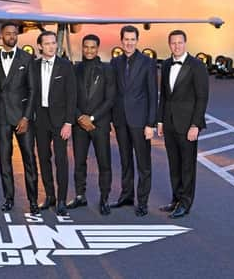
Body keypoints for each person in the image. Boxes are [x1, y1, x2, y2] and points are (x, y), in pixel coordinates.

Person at [0, 22, 39, 214]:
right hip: (1, 117)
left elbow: (33, 90)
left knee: (29, 160)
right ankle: (8, 198)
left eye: (14, 33)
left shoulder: (27, 58)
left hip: (22, 118)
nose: (11, 36)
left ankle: (33, 200)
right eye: (8, 33)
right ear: (1, 35)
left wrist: (26, 117)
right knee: (4, 160)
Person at [157, 30, 209, 218]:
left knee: (187, 166)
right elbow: (164, 95)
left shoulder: (197, 66)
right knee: (174, 164)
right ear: (169, 44)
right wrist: (160, 120)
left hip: (188, 125)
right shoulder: (165, 64)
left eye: (180, 42)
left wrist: (196, 125)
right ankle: (176, 199)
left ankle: (185, 204)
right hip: (169, 123)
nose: (176, 46)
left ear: (185, 43)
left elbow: (202, 98)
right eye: (173, 43)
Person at [110, 25, 157, 217]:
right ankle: (126, 196)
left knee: (143, 164)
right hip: (121, 120)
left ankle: (143, 202)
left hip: (140, 121)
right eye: (126, 39)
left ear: (137, 41)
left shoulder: (147, 62)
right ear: (121, 41)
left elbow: (153, 94)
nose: (129, 43)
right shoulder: (115, 62)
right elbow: (113, 92)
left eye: (132, 39)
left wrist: (150, 124)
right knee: (125, 160)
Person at [68, 34, 115, 215]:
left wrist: (92, 118)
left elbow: (110, 99)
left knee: (104, 163)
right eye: (86, 47)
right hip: (79, 124)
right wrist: (80, 117)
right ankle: (80, 196)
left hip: (99, 124)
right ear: (82, 47)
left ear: (98, 48)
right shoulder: (75, 69)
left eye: (92, 47)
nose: (89, 50)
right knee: (79, 162)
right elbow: (70, 97)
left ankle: (104, 199)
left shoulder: (107, 69)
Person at [35, 31, 76, 216]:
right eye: (48, 43)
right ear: (40, 46)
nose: (52, 46)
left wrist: (68, 122)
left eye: (54, 43)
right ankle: (49, 196)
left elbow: (71, 96)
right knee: (43, 159)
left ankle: (61, 200)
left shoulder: (65, 66)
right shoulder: (33, 66)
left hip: (60, 121)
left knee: (61, 161)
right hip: (40, 119)